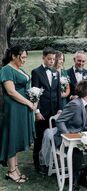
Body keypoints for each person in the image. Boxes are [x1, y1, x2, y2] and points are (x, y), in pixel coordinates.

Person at [54, 80, 87, 191]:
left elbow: (83, 126)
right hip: (65, 139)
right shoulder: (75, 104)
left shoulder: (84, 104)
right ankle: (74, 180)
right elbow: (60, 121)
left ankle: (85, 175)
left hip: (80, 138)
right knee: (77, 152)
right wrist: (68, 136)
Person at [0, 45, 36, 183]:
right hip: (13, 108)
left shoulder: (18, 69)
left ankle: (15, 168)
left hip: (21, 107)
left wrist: (33, 98)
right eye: (22, 57)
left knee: (16, 136)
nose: (24, 60)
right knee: (12, 137)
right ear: (14, 56)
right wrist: (28, 102)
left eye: (26, 57)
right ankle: (11, 171)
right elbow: (10, 91)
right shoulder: (6, 69)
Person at [31, 47, 62, 173]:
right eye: (49, 59)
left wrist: (60, 109)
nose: (51, 61)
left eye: (53, 59)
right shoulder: (36, 72)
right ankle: (37, 163)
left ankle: (50, 160)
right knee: (39, 137)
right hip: (42, 111)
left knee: (53, 137)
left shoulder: (56, 72)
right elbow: (35, 93)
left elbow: (58, 93)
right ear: (43, 58)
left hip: (54, 111)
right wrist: (37, 111)